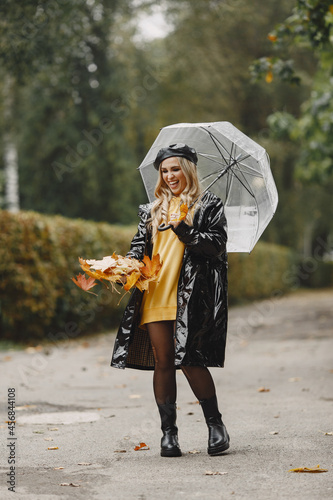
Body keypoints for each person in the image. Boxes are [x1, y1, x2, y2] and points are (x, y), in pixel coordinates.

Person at [111, 143, 229, 457]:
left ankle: (215, 426)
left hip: (190, 296)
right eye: (164, 170)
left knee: (190, 360)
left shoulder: (208, 205)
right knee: (163, 363)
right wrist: (124, 268)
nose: (169, 175)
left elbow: (216, 246)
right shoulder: (152, 210)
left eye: (175, 168)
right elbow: (138, 248)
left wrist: (185, 229)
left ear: (188, 169)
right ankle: (169, 435)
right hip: (154, 295)